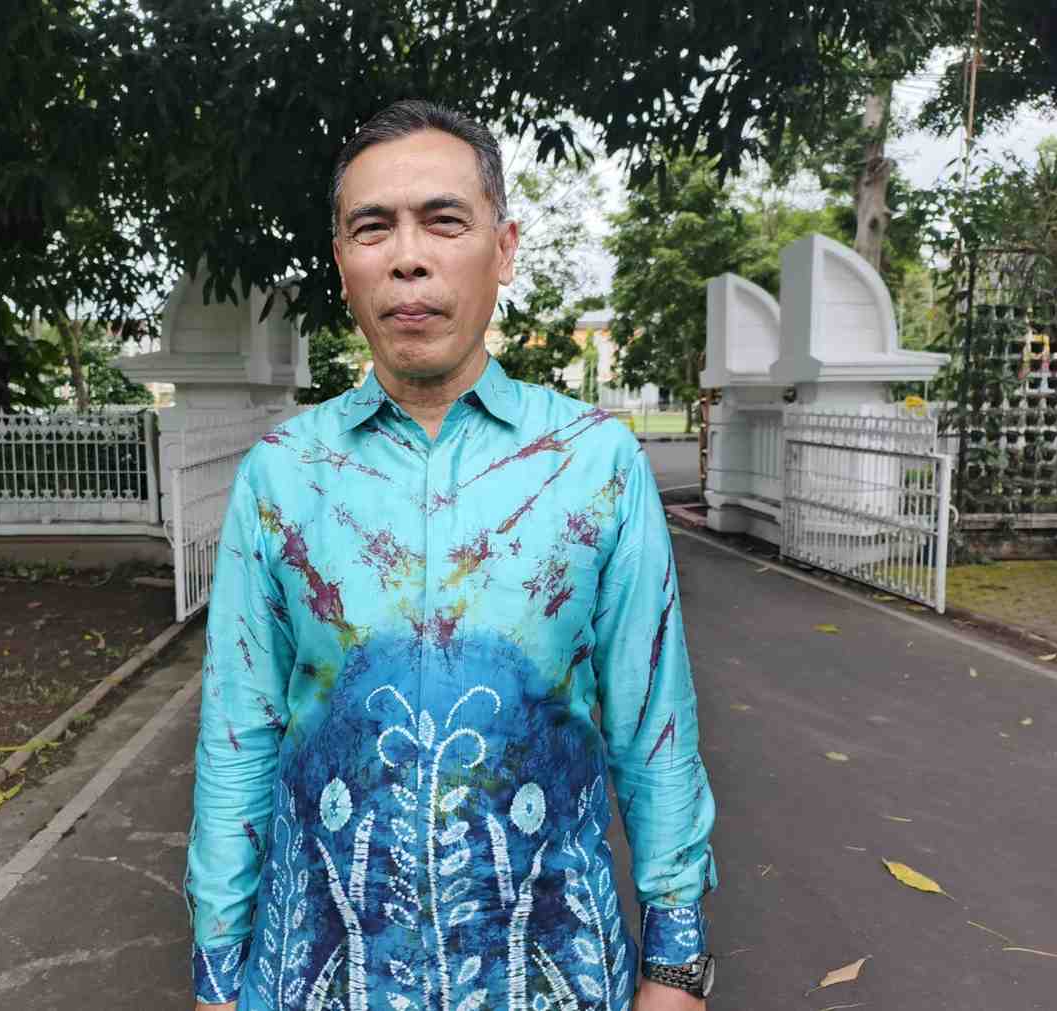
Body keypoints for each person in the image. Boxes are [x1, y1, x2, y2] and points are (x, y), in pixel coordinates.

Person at [187, 99, 718, 1011]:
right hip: (321, 978)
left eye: (443, 220)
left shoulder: (593, 464)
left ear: (503, 249)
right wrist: (216, 975)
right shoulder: (282, 475)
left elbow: (654, 727)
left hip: (550, 977)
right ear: (342, 264)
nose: (408, 257)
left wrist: (675, 969)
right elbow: (238, 735)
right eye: (373, 228)